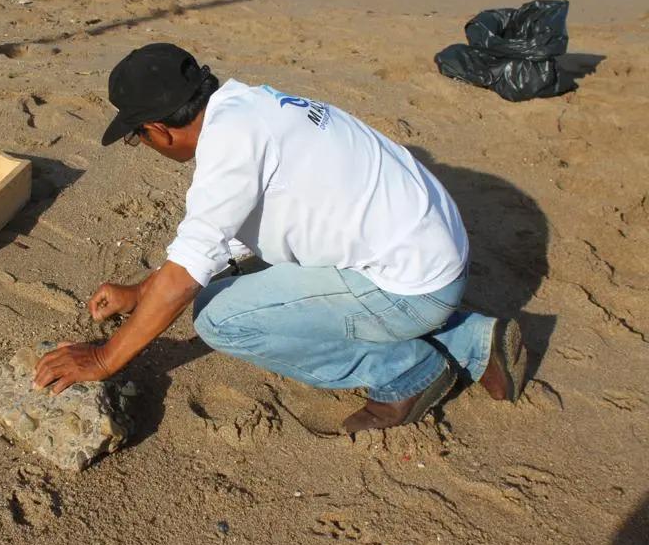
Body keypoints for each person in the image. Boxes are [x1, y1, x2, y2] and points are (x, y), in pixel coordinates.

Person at [32, 43, 528, 432]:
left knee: (221, 317)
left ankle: (405, 372)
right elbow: (231, 238)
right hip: (434, 256)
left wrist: (103, 358)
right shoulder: (252, 105)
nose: (143, 146)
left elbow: (185, 278)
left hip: (413, 290)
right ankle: (468, 338)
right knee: (239, 277)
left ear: (160, 130)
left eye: (136, 137)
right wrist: (141, 292)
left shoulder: (228, 148)